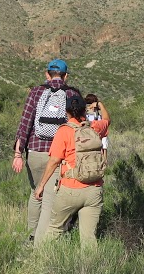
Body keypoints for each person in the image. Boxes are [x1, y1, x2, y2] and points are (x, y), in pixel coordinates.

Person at [13, 59, 81, 238]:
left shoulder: (36, 92)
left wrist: (17, 153)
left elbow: (25, 124)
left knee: (36, 192)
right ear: (66, 76)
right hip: (58, 156)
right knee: (50, 199)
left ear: (46, 74)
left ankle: (31, 235)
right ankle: (42, 244)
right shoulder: (72, 94)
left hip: (35, 152)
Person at [32, 93, 108, 244]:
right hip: (94, 189)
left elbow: (54, 161)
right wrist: (100, 105)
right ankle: (91, 266)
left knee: (55, 229)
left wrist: (41, 186)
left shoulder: (64, 131)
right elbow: (107, 120)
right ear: (84, 111)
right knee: (89, 239)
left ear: (66, 112)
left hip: (70, 189)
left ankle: (40, 260)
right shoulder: (95, 127)